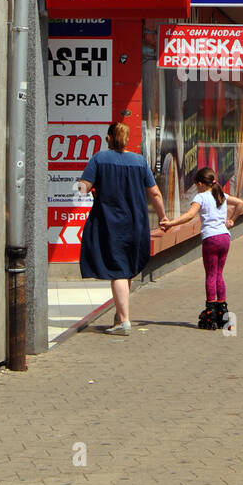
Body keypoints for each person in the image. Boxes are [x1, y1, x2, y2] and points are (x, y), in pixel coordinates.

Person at [76, 120, 169, 337]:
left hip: (110, 223)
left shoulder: (99, 158)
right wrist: (163, 217)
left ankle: (124, 321)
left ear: (109, 138)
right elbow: (154, 192)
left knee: (117, 270)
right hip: (136, 222)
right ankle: (119, 315)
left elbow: (83, 188)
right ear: (127, 139)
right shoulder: (139, 161)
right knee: (125, 268)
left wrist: (87, 186)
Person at [162, 167, 243, 329]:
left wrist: (171, 224)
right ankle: (222, 311)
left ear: (201, 184)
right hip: (225, 238)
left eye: (197, 185)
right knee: (219, 274)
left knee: (210, 274)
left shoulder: (201, 197)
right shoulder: (220, 194)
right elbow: (240, 203)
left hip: (211, 238)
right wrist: (232, 220)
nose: (197, 188)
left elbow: (189, 215)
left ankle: (211, 311)